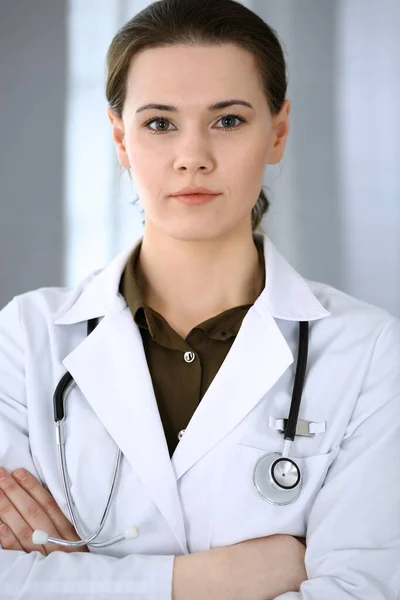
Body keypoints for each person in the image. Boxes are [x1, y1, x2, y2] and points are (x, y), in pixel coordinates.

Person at [0, 0, 399, 598]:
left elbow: (362, 589)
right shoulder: (27, 336)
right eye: (160, 123)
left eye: (228, 120)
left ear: (278, 131)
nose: (193, 157)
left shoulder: (368, 350)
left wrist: (79, 577)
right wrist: (217, 578)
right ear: (120, 138)